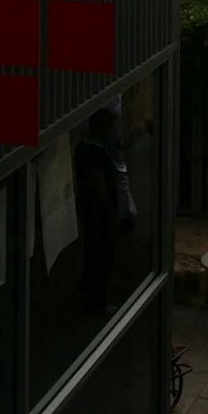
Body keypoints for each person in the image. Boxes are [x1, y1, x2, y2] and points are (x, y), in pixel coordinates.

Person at [74, 109, 120, 312]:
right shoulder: (95, 153)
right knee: (101, 255)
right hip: (97, 212)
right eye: (113, 126)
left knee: (93, 252)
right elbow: (98, 186)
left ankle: (87, 287)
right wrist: (110, 213)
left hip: (88, 208)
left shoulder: (83, 147)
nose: (115, 130)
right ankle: (96, 299)